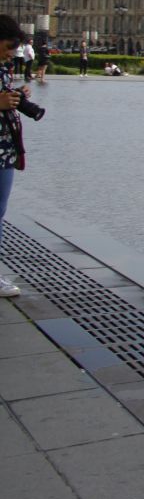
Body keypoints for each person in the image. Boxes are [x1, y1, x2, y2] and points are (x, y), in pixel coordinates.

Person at [1, 16, 33, 297]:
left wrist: (15, 95)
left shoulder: (3, 68)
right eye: (10, 45)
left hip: (4, 150)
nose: (14, 52)